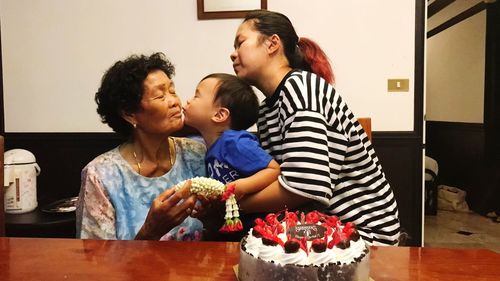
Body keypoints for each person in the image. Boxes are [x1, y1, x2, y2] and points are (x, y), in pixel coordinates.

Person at [229, 10, 401, 245]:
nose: (233, 54)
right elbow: (280, 176)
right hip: (318, 229)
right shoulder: (268, 109)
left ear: (272, 44)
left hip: (363, 233)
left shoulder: (299, 88)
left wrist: (235, 205)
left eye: (240, 43)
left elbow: (305, 186)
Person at [76, 53, 207, 241]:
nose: (175, 101)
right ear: (130, 114)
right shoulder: (101, 175)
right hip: (134, 272)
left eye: (172, 90)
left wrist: (214, 215)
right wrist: (151, 230)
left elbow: (217, 231)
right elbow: (96, 261)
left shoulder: (196, 154)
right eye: (160, 95)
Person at [182, 73, 280, 238]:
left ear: (220, 115)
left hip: (261, 233)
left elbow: (273, 169)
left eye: (197, 95)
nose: (189, 100)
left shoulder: (234, 142)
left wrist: (241, 186)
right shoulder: (210, 149)